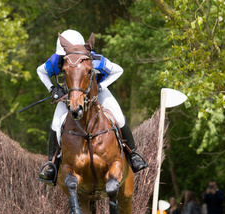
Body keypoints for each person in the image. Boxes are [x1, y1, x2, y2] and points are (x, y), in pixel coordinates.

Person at [37, 29, 148, 185]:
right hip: (72, 96)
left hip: (98, 93)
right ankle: (52, 165)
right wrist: (52, 89)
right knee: (56, 123)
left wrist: (101, 87)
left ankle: (132, 154)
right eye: (64, 55)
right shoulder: (57, 60)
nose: (66, 58)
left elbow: (118, 70)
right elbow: (40, 71)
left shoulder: (96, 60)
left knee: (118, 117)